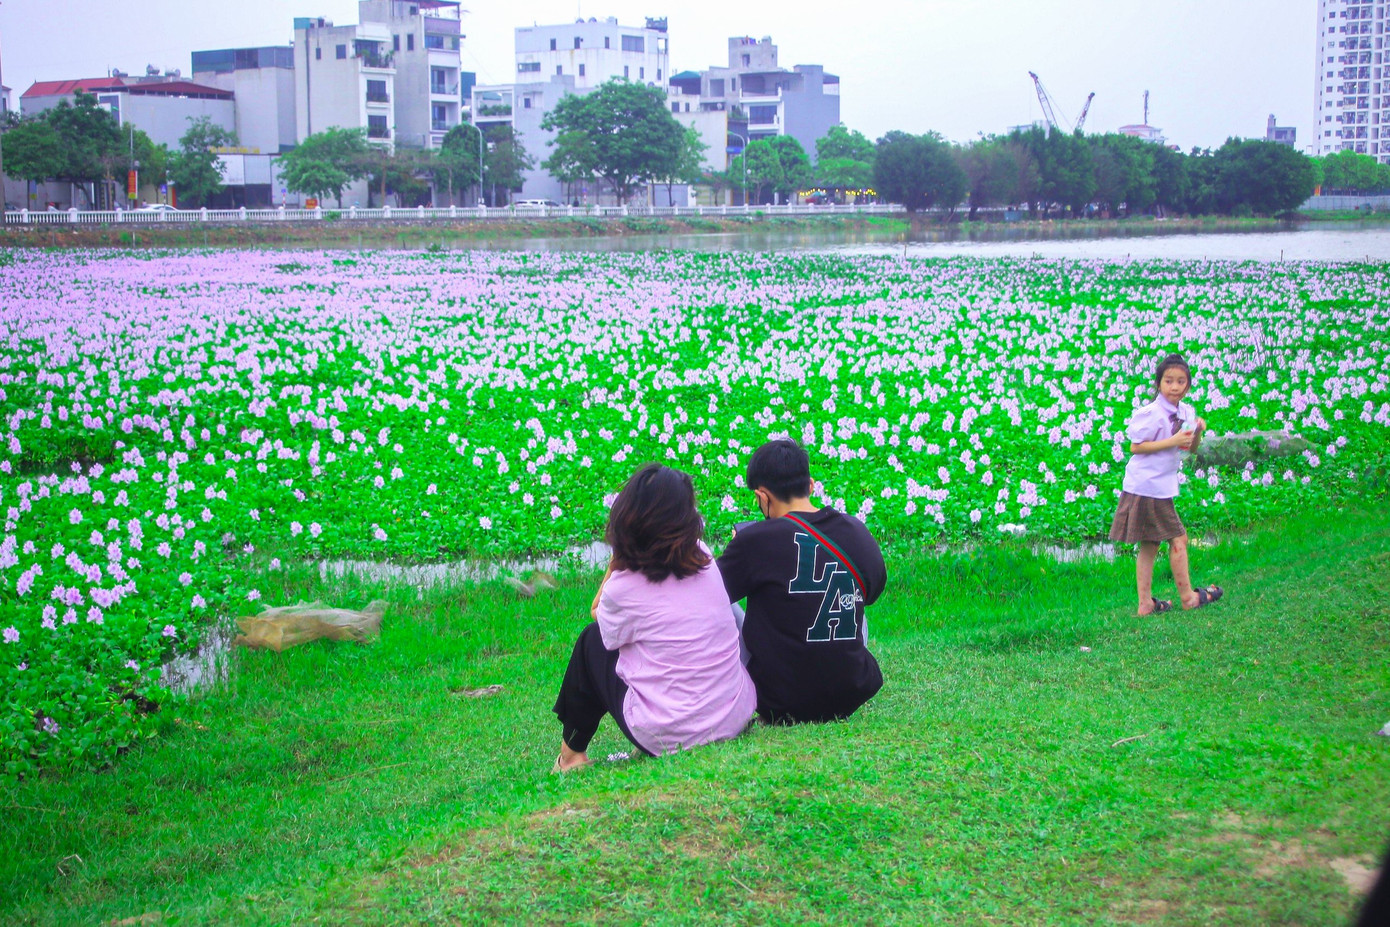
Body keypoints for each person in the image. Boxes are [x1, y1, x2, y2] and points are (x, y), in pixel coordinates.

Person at [551, 463, 755, 772]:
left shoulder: (623, 587)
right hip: (731, 715)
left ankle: (570, 757)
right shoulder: (704, 557)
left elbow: (598, 616)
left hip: (669, 735)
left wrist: (617, 560)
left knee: (591, 641)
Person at [717, 439, 887, 724]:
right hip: (850, 693)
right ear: (810, 486)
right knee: (849, 595)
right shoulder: (856, 530)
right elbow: (872, 593)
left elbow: (711, 595)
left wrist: (737, 550)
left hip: (778, 699)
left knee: (721, 603)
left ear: (763, 497)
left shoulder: (753, 540)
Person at [1109, 352, 1224, 616]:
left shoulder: (1185, 412)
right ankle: (1188, 597)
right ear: (1159, 384)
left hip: (1161, 485)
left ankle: (1145, 605)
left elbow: (1190, 449)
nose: (1174, 387)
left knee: (1150, 543)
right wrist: (1171, 442)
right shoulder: (1149, 413)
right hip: (1146, 485)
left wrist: (1198, 431)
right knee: (1179, 539)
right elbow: (1135, 447)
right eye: (1168, 381)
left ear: (1188, 385)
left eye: (1180, 381)